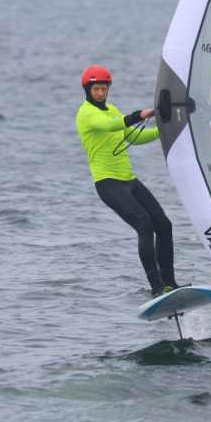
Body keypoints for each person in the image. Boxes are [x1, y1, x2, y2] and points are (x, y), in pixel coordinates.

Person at [75, 64, 180, 297]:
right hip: (107, 183)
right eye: (97, 89)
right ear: (87, 90)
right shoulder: (86, 114)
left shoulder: (111, 108)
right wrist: (141, 114)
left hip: (129, 180)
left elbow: (132, 136)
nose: (101, 93)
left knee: (164, 225)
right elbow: (113, 124)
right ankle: (156, 289)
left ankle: (170, 283)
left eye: (104, 88)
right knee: (144, 224)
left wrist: (163, 131)